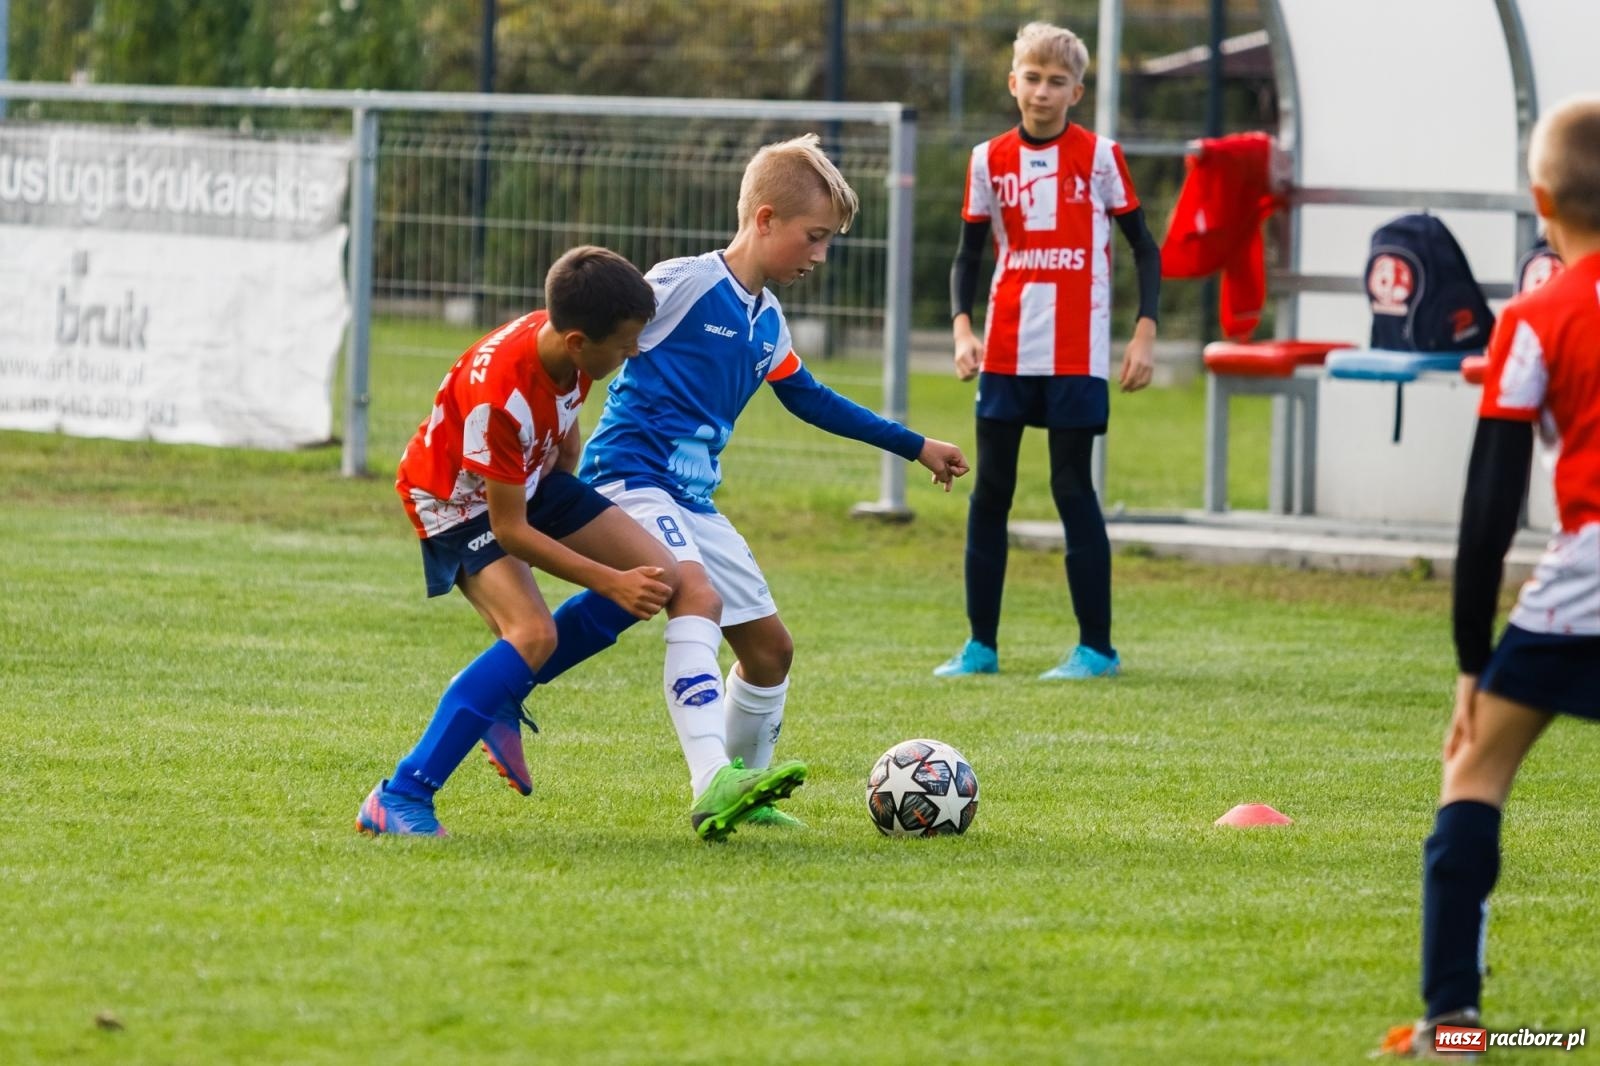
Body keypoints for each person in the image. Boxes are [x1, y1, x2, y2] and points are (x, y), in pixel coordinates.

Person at [476, 133, 969, 830]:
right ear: (764, 220)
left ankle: (742, 794)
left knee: (770, 652)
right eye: (815, 236)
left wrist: (914, 444)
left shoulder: (766, 320)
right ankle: (712, 779)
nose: (821, 255)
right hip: (631, 479)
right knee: (692, 595)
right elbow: (588, 336)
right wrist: (546, 441)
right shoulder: (683, 284)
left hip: (692, 501)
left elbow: (810, 398)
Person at [356, 245, 807, 841]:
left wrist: (576, 483)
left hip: (537, 476)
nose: (635, 353)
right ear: (577, 341)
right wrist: (608, 579)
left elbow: (561, 429)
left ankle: (503, 690)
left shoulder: (570, 354)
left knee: (666, 575)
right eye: (625, 346)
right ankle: (400, 794)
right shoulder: (503, 400)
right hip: (455, 501)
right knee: (533, 634)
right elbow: (512, 529)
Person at [1378, 95, 1600, 1057]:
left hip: (1582, 584)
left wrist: (1473, 664)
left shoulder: (1537, 319)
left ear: (1540, 197)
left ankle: (1454, 1026)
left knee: (1473, 769)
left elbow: (1489, 509)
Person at [932, 21, 1161, 682]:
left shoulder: (1099, 157)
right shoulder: (988, 160)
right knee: (990, 494)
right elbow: (968, 256)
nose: (1041, 91)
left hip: (1076, 352)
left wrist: (1144, 330)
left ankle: (1097, 649)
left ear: (1076, 92)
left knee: (1071, 489)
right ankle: (980, 647)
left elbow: (1144, 246)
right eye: (1031, 78)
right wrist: (963, 329)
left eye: (1056, 81)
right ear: (1013, 83)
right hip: (1004, 348)